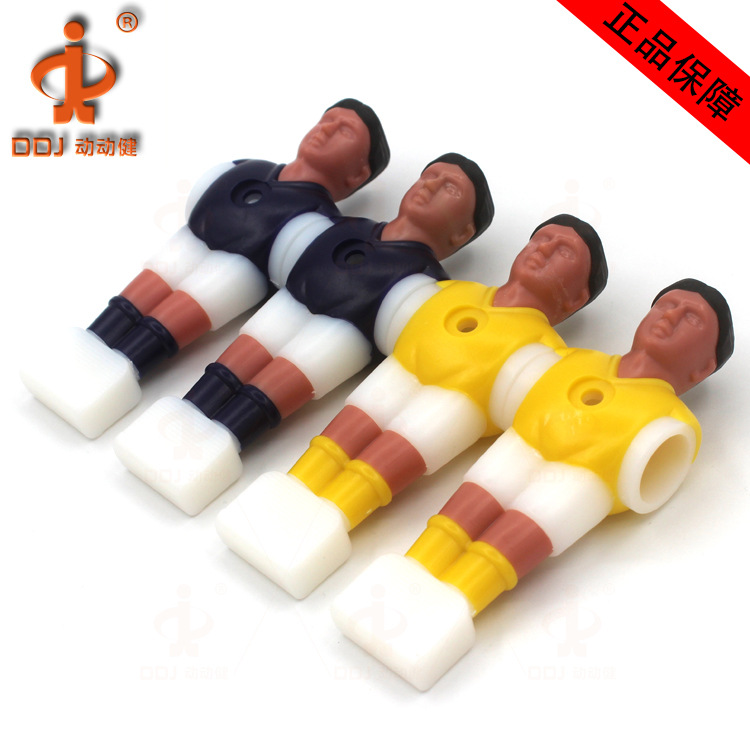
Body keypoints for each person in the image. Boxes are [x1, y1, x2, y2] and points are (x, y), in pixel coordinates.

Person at [331, 279, 734, 691]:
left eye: (691, 319)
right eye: (665, 305)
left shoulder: (673, 421)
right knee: (461, 514)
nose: (669, 317)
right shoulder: (576, 359)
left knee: (512, 537)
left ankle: (455, 604)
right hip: (521, 444)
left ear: (702, 369)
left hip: (584, 480)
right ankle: (407, 572)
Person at [215, 215, 607, 598]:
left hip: (456, 404)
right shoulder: (453, 291)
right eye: (541, 239)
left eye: (563, 253)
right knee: (342, 435)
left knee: (386, 458)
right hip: (400, 371)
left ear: (575, 299)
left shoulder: (549, 355)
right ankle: (291, 491)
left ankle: (332, 520)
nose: (542, 251)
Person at [114, 154, 494, 515]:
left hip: (343, 334)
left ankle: (219, 445)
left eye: (449, 189)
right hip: (290, 303)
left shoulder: (430, 289)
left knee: (265, 393)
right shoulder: (345, 226)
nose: (430, 186)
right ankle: (179, 417)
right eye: (429, 176)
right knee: (227, 370)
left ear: (461, 234)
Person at [20, 99, 388, 438]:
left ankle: (123, 370)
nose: (325, 129)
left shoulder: (321, 223)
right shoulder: (249, 168)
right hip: (191, 239)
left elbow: (294, 267)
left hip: (238, 270)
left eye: (344, 132)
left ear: (356, 176)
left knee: (180, 308)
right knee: (140, 293)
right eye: (327, 119)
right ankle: (91, 346)